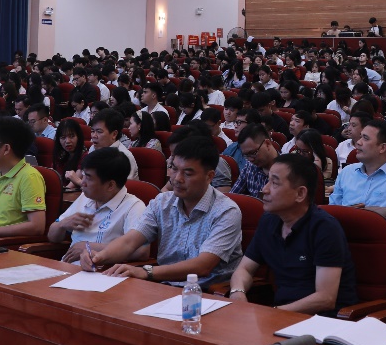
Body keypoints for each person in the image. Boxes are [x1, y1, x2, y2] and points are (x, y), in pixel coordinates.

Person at [81, 135, 243, 287]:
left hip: (207, 292)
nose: (177, 178)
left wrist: (147, 272)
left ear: (209, 176)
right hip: (164, 286)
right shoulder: (162, 202)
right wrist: (99, 256)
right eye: (174, 168)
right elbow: (130, 242)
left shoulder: (226, 211)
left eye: (187, 173)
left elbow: (203, 266)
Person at [228, 154, 359, 313]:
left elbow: (325, 298)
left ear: (300, 194)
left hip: (322, 320)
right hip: (282, 313)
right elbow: (244, 269)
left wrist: (273, 314)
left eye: (275, 183)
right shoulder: (269, 221)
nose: (265, 189)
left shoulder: (325, 228)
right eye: (268, 180)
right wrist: (238, 292)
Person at [47, 147, 147, 263]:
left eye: (89, 178)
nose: (82, 182)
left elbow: (141, 252)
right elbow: (52, 237)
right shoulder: (85, 197)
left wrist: (90, 247)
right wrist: (62, 224)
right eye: (83, 175)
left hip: (101, 271)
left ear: (110, 185)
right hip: (67, 267)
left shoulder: (133, 207)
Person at [329, 119, 386, 233]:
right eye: (360, 137)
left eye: (365, 138)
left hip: (379, 239)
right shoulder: (347, 172)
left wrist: (367, 220)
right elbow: (332, 212)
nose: (358, 142)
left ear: (382, 148)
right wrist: (349, 216)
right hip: (343, 236)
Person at [231, 122, 276, 197]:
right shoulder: (250, 166)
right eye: (246, 155)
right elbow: (233, 196)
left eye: (253, 153)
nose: (250, 159)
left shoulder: (286, 170)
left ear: (267, 144)